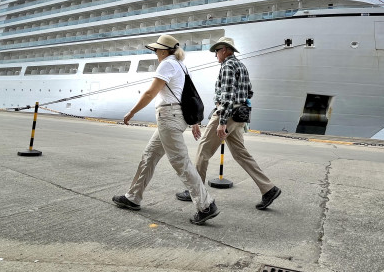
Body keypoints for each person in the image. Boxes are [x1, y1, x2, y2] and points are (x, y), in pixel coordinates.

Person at [112, 34, 219, 225]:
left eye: (155, 50)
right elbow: (188, 95)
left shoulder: (167, 64)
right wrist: (194, 121)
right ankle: (133, 197)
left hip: (169, 118)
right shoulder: (180, 65)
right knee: (149, 156)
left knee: (181, 162)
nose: (155, 53)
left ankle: (205, 205)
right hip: (174, 117)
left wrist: (131, 112)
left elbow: (150, 92)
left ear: (163, 50)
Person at [176, 37, 281, 210]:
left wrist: (222, 121)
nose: (216, 55)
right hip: (239, 115)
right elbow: (249, 92)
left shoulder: (227, 66)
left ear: (224, 50)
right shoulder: (241, 66)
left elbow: (227, 95)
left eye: (217, 51)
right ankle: (268, 189)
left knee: (203, 150)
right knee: (241, 154)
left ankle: (195, 190)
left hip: (227, 114)